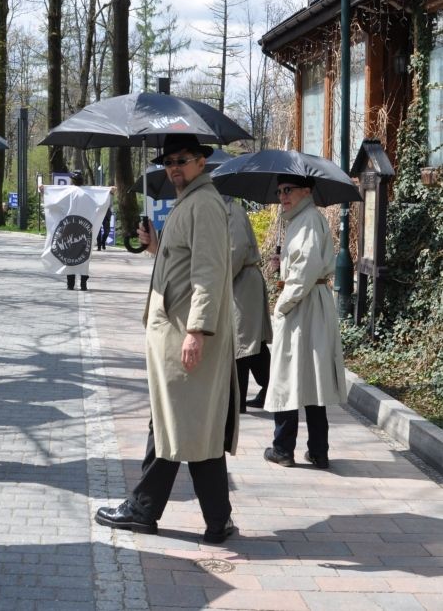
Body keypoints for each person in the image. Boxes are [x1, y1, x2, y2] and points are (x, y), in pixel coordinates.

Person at [95, 135, 238, 543]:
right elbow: (182, 262)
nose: (174, 167)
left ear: (202, 161)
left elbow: (209, 272)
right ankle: (214, 519)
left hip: (185, 336)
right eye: (169, 161)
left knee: (185, 423)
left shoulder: (205, 204)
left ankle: (146, 509)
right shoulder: (189, 201)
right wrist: (155, 247)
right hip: (174, 333)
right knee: (183, 422)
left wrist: (197, 331)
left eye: (183, 160)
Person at [263, 175, 347, 469]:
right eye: (279, 191)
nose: (282, 196)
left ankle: (283, 448)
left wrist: (283, 304)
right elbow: (301, 266)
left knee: (289, 375)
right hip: (308, 303)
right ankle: (318, 450)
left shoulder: (308, 219)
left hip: (304, 305)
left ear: (306, 191)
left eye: (288, 190)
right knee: (311, 377)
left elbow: (306, 270)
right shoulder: (300, 219)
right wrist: (280, 266)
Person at [225, 196, 272, 413]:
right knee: (251, 342)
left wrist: (221, 280)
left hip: (241, 280)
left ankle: (239, 400)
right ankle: (270, 388)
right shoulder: (225, 211)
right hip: (240, 280)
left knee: (243, 342)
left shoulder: (232, 211)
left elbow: (237, 248)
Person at [66, 170, 89, 291]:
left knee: (70, 256)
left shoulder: (67, 192)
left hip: (70, 228)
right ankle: (83, 284)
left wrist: (44, 189)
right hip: (85, 228)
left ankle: (70, 284)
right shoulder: (88, 193)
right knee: (84, 256)